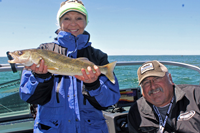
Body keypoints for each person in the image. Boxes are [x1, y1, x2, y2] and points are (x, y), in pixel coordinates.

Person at [19, 0, 120, 132]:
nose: (73, 23)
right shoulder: (43, 50)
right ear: (59, 22)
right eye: (66, 18)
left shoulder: (97, 56)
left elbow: (109, 101)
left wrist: (94, 85)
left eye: (79, 18)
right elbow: (27, 95)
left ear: (86, 22)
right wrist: (39, 77)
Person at [128, 60, 200, 133]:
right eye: (146, 82)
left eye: (157, 78)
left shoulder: (196, 95)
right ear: (142, 88)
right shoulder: (136, 111)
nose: (152, 86)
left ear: (170, 79)